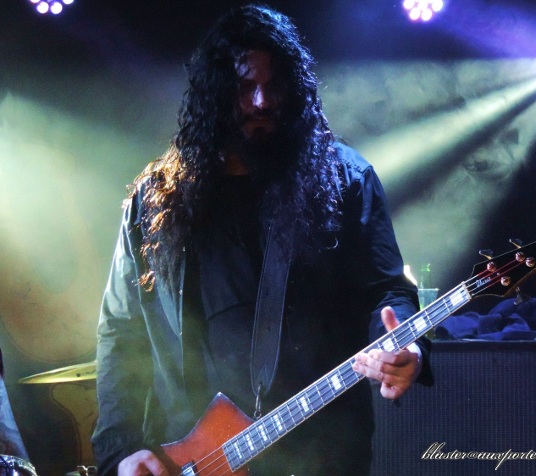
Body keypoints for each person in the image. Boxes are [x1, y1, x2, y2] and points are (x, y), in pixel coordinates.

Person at [91, 4, 432, 475]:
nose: (261, 102)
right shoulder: (155, 200)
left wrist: (407, 347)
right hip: (186, 458)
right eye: (243, 86)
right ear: (214, 92)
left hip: (319, 455)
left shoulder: (346, 180)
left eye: (275, 86)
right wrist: (121, 450)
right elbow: (121, 330)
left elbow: (388, 291)